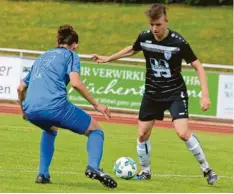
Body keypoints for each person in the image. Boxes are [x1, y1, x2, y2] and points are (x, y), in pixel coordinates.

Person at [92, 3, 218, 185]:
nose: (154, 28)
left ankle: (207, 169)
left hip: (175, 92)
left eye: (158, 24)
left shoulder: (178, 42)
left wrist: (205, 94)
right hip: (152, 92)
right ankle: (145, 172)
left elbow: (198, 66)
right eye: (152, 24)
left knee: (182, 133)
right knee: (142, 134)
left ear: (166, 20)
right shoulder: (145, 37)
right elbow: (133, 49)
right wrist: (108, 58)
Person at [17, 24, 117, 189]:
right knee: (96, 130)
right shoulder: (71, 55)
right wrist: (96, 104)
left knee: (50, 129)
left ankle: (43, 174)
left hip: (30, 108)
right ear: (75, 44)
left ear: (58, 41)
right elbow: (76, 83)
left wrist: (24, 111)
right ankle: (93, 166)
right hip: (54, 106)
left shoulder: (42, 57)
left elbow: (20, 88)